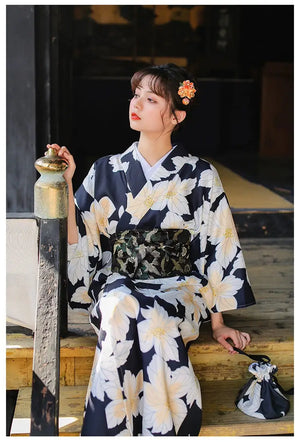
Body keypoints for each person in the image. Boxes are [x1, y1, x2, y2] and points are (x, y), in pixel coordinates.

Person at [49, 63, 255, 436]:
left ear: (176, 115)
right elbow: (84, 236)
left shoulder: (199, 174)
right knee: (117, 305)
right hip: (121, 281)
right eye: (135, 95)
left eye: (151, 98)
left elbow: (218, 242)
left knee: (155, 319)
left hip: (179, 286)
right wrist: (67, 183)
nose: (136, 103)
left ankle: (160, 431)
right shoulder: (104, 169)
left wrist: (219, 321)